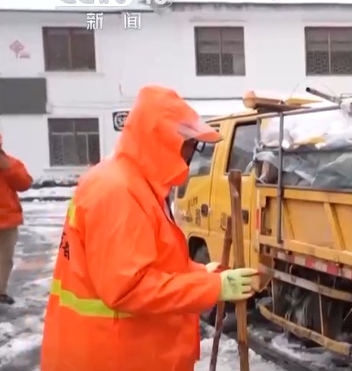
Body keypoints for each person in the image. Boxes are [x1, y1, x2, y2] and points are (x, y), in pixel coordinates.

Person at [41, 85, 260, 371]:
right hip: (112, 356)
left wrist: (199, 272)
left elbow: (147, 261)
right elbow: (129, 288)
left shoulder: (133, 184)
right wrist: (212, 286)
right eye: (191, 143)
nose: (194, 152)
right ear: (164, 140)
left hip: (125, 351)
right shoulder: (118, 192)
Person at [0, 133, 33, 305]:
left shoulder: (10, 163)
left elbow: (25, 184)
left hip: (6, 222)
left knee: (4, 259)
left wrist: (7, 168)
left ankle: (0, 292)